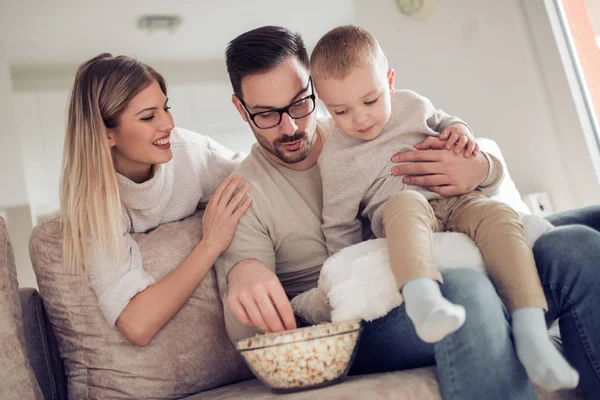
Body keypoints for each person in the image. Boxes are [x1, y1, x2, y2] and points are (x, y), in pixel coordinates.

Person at [215, 25, 600, 400]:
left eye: (300, 103)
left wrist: (482, 169)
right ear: (240, 107)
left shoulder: (360, 123)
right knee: (465, 290)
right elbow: (245, 334)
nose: (292, 125)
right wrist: (241, 272)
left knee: (579, 243)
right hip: (367, 315)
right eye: (266, 114)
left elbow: (462, 168)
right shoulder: (245, 193)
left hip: (447, 240)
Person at [310, 25, 578, 391]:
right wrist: (346, 278)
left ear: (389, 81)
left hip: (459, 199)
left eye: (370, 100)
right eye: (341, 111)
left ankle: (530, 326)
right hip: (404, 212)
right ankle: (423, 299)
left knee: (498, 215)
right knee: (404, 203)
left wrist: (462, 133)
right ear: (325, 106)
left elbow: (447, 121)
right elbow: (337, 225)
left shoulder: (413, 105)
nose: (360, 119)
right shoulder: (336, 157)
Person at [59, 53, 252, 347]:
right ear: (106, 134)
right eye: (149, 117)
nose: (169, 124)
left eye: (166, 108)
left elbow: (260, 185)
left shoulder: (190, 153)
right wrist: (210, 244)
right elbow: (137, 325)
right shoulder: (94, 206)